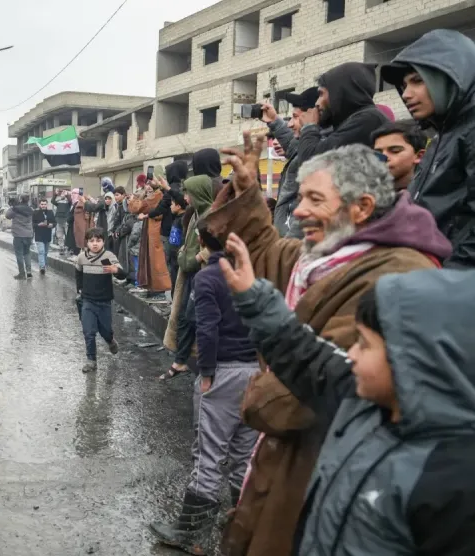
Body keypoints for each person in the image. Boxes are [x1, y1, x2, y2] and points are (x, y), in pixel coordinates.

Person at [206, 132, 452, 556]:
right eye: (301, 197)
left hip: (326, 465)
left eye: (315, 200)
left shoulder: (396, 274)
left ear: (362, 208)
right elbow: (265, 249)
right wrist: (247, 190)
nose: (299, 210)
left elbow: (323, 386)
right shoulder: (323, 256)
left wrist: (256, 396)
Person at [221, 237, 475, 556]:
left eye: (365, 344)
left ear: (412, 359)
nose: (351, 353)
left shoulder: (454, 485)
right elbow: (309, 356)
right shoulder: (361, 401)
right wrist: (254, 299)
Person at [149, 223, 259, 555]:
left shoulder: (208, 277)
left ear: (202, 241)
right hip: (254, 372)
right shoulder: (253, 272)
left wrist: (207, 372)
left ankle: (191, 534)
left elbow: (206, 328)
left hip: (222, 372)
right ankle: (244, 527)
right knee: (245, 455)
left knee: (208, 454)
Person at [381, 29, 475, 268]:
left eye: (417, 81)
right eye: (404, 85)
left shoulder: (469, 131)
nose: (406, 94)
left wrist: (444, 280)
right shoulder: (445, 133)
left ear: (451, 77)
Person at [162, 175, 216, 380]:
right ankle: (181, 360)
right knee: (185, 316)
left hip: (202, 273)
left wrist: (200, 256)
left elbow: (218, 245)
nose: (185, 198)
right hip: (190, 273)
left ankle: (204, 368)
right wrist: (184, 253)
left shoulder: (212, 215)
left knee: (195, 317)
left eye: (188, 193)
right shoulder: (196, 214)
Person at [298, 62, 389, 164]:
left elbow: (311, 162)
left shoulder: (368, 119)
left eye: (321, 94)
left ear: (339, 92)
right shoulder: (355, 119)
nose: (317, 103)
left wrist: (309, 127)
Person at [261, 87, 321, 238]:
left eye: (295, 117)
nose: (290, 124)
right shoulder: (307, 147)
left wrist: (287, 245)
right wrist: (274, 121)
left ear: (313, 115)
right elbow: (293, 146)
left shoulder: (319, 153)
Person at [75, 228, 126, 373]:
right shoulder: (82, 257)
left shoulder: (107, 257)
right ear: (87, 242)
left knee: (105, 331)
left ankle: (110, 340)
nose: (95, 244)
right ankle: (91, 361)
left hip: (104, 301)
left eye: (98, 240)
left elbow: (122, 274)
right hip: (88, 301)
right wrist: (80, 288)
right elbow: (78, 272)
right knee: (88, 331)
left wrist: (115, 270)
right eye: (91, 241)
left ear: (103, 241)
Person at [148, 161, 189, 292]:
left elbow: (161, 207)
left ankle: (170, 293)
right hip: (173, 228)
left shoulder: (173, 189)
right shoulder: (181, 187)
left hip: (169, 229)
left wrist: (147, 214)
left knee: (172, 262)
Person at [130, 186, 172, 302]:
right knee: (150, 261)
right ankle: (152, 289)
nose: (147, 186)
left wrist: (137, 196)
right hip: (151, 232)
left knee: (156, 262)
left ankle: (159, 292)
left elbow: (136, 208)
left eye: (150, 182)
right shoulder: (157, 195)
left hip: (156, 233)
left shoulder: (157, 196)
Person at [371, 122, 426, 192]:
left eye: (395, 151)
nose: (383, 157)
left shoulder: (430, 194)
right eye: (378, 153)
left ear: (419, 156)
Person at [6, 194, 34, 280]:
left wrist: (12, 207)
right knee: (27, 253)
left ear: (20, 199)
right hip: (28, 235)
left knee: (19, 254)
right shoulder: (30, 209)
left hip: (18, 236)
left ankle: (22, 274)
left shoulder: (15, 209)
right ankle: (29, 272)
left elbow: (7, 215)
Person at [31, 198, 56, 275]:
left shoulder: (50, 212)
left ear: (47, 205)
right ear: (39, 205)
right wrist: (38, 224)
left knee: (45, 252)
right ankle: (42, 267)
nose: (43, 206)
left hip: (47, 235)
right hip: (39, 235)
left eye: (45, 204)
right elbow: (32, 224)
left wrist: (52, 225)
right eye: (42, 204)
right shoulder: (35, 213)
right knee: (41, 252)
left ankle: (43, 265)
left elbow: (54, 222)